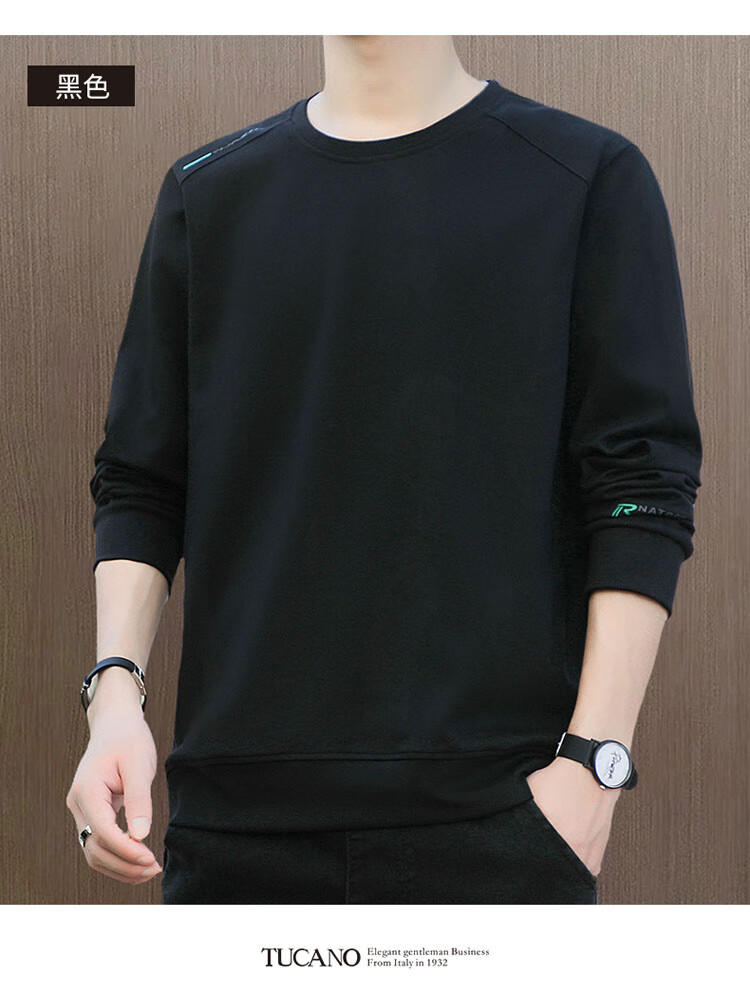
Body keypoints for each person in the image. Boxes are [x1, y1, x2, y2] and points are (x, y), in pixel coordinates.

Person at [67, 35, 703, 904]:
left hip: (500, 817)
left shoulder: (586, 176)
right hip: (238, 826)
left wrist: (595, 765)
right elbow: (141, 480)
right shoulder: (206, 192)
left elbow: (641, 482)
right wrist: (113, 702)